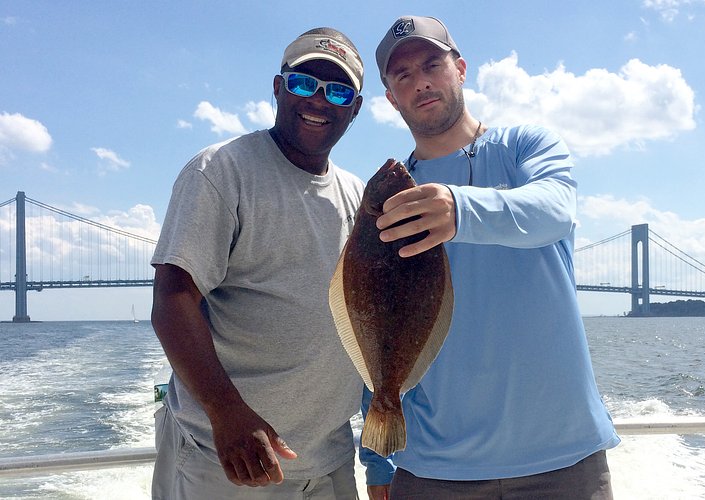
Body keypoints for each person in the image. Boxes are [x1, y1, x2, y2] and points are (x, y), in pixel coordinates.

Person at [361, 16, 620, 499]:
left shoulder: (527, 146)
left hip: (564, 460)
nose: (421, 81)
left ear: (460, 69)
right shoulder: (391, 196)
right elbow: (373, 322)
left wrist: (459, 209)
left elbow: (555, 209)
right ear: (391, 98)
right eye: (403, 76)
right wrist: (378, 463)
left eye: (432, 64)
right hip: (432, 467)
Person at [150, 27, 366, 499]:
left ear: (355, 107)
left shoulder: (357, 196)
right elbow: (172, 297)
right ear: (277, 86)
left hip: (329, 461)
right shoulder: (220, 170)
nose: (318, 100)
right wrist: (226, 412)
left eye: (338, 90)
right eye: (304, 83)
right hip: (225, 456)